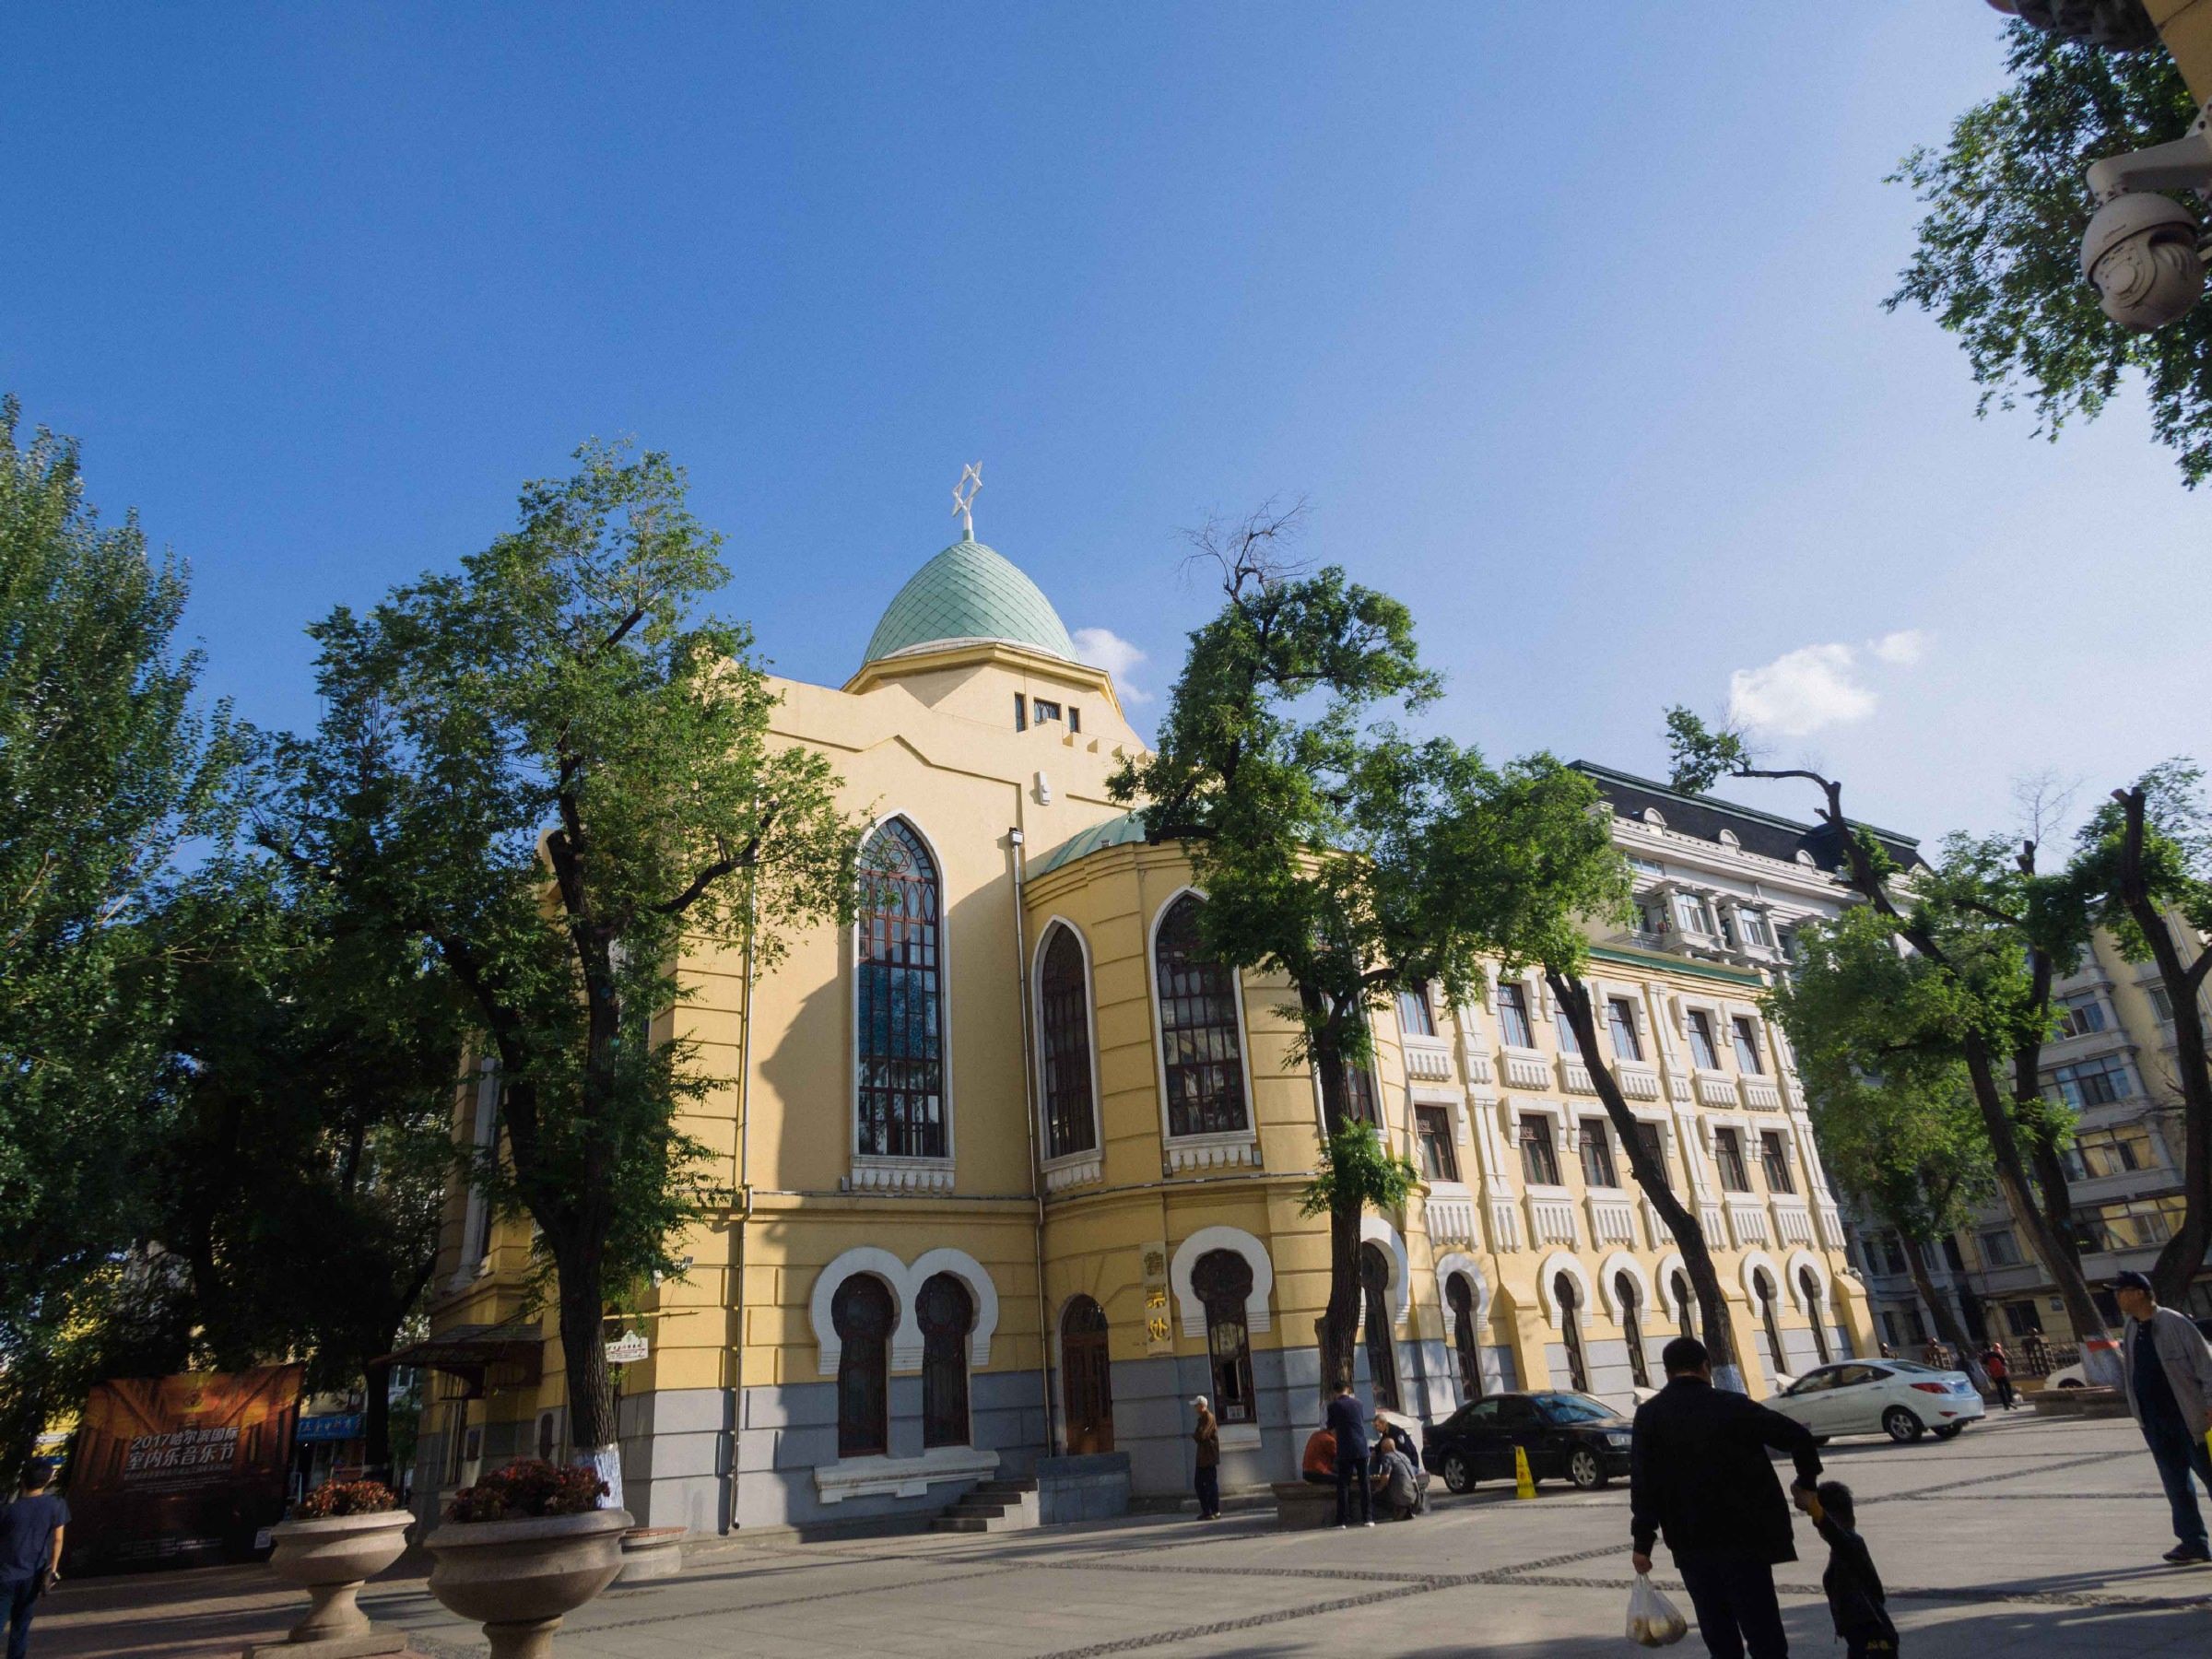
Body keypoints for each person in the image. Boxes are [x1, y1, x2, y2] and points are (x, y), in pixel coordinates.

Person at [1630, 1335, 1823, 1659]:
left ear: (1667, 1373)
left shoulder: (1649, 1416)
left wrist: (1642, 1544)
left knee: (1718, 1633)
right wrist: (1806, 1484)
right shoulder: (1733, 1406)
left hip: (1690, 1541)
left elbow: (1643, 1484)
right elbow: (1799, 1438)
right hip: (1746, 1538)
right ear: (1706, 1367)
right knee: (1764, 1632)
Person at [2112, 1269, 2212, 1564]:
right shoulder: (2131, 1327)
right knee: (2176, 1485)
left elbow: (2205, 1366)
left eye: (2121, 1291)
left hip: (2191, 1419)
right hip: (2155, 1422)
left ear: (2139, 1293)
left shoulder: (2175, 1323)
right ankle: (2193, 1542)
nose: (2118, 1298)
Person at [1794, 1480, 1898, 1657]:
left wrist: (1814, 1508)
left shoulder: (1851, 1544)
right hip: (1863, 1637)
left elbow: (1836, 1535)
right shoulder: (1846, 1547)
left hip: (1873, 1638)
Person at [0, 1458, 66, 1659]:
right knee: (21, 1627)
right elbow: (58, 1540)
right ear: (47, 1481)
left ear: (22, 1480)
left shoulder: (8, 1511)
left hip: (4, 1575)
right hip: (34, 1575)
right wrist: (52, 1570)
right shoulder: (56, 1506)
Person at [1324, 1380, 1372, 1529]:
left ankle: (1342, 1520)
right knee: (1364, 1483)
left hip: (1345, 1448)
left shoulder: (1333, 1406)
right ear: (1347, 1389)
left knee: (1343, 1484)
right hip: (1361, 1447)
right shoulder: (1358, 1404)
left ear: (1334, 1392)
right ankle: (1368, 1518)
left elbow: (1332, 1429)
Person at [1373, 1435, 1421, 1522]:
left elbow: (1385, 1477)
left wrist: (1378, 1488)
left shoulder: (1387, 1457)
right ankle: (1406, 1509)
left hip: (1402, 1495)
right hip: (1414, 1494)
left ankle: (1399, 1510)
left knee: (1376, 1495)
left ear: (1384, 1448)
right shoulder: (1404, 1456)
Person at [1189, 1395, 1221, 1521]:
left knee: (1210, 1484)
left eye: (1196, 1406)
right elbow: (1198, 1435)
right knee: (1200, 1485)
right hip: (1203, 1458)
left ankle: (1214, 1510)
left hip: (1208, 1458)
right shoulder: (1202, 1418)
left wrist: (1196, 1434)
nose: (1195, 1408)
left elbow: (1201, 1435)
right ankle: (1208, 1511)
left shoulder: (1208, 1417)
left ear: (1202, 1406)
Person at [1979, 1343, 2015, 1412]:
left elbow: (1984, 1365)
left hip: (1994, 1375)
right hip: (2002, 1373)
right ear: (1991, 1347)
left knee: (2000, 1389)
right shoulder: (1996, 1353)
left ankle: (2005, 1404)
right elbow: (2004, 1362)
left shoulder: (1985, 1356)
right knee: (2007, 1386)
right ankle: (2010, 1400)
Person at [1300, 1421, 1336, 1487]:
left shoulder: (1316, 1434)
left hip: (1306, 1472)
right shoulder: (1330, 1440)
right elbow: (1340, 1458)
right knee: (1343, 1480)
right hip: (1318, 1472)